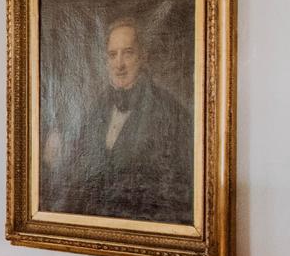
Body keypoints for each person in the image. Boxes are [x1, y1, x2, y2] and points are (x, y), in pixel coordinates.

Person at [44, 16, 193, 225]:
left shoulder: (170, 111)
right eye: (112, 55)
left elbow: (178, 193)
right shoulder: (96, 110)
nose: (119, 64)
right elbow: (81, 173)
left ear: (143, 56)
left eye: (128, 53)